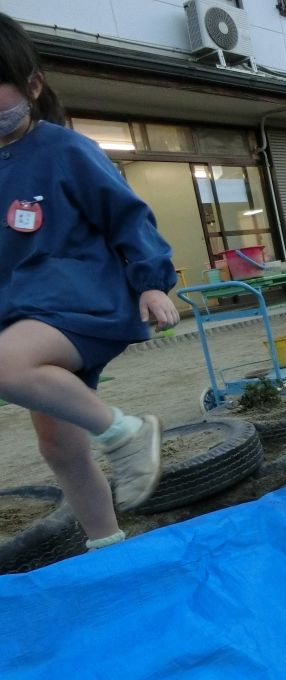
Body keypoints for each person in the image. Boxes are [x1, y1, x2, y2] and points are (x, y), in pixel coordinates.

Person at [0, 14, 180, 551]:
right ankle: (108, 545)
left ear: (33, 85)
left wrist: (150, 281)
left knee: (5, 363)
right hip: (25, 314)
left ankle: (127, 434)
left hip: (78, 302)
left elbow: (128, 217)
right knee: (58, 444)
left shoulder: (65, 150)